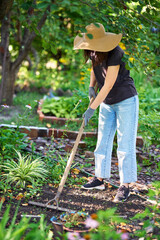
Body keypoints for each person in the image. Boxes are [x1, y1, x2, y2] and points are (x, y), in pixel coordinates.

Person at [73, 23, 139, 202]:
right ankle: (99, 179)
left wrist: (91, 108)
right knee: (102, 140)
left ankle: (125, 185)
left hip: (125, 100)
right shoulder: (94, 49)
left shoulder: (115, 52)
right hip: (106, 102)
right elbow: (94, 68)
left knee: (125, 143)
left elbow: (109, 83)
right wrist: (91, 87)